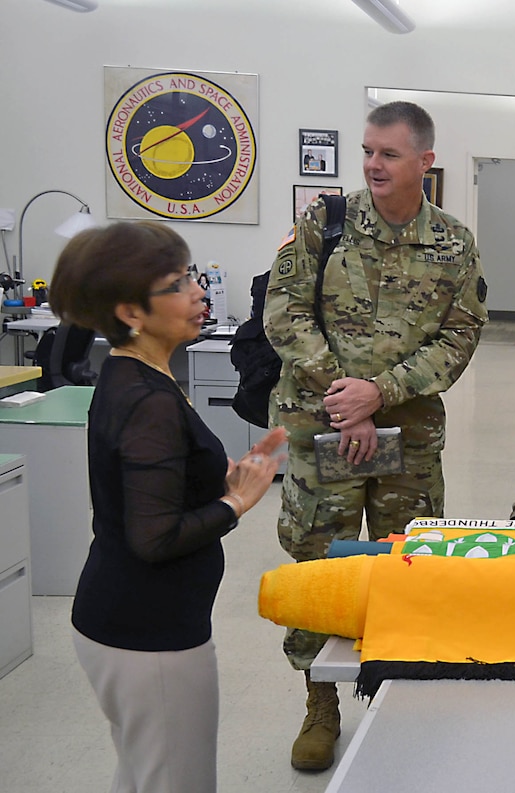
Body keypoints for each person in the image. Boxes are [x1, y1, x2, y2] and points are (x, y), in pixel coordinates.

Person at [265, 100, 488, 770]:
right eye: (367, 150)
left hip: (407, 437)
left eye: (388, 153)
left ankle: (399, 695)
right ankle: (321, 704)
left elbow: (462, 334)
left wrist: (382, 392)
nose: (372, 164)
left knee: (405, 565)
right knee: (321, 564)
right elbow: (284, 309)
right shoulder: (325, 224)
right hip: (325, 431)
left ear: (425, 160)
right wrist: (347, 396)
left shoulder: (453, 242)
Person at [51, 221, 285, 793]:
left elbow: (150, 485)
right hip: (148, 636)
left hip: (126, 622)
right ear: (131, 311)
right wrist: (236, 502)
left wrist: (220, 478)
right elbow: (153, 538)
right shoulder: (146, 399)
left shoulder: (132, 373)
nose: (199, 292)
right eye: (179, 283)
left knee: (143, 774)